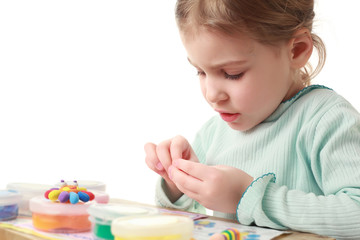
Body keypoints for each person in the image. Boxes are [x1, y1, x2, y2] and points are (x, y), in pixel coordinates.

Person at [144, 0, 360, 239]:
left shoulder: (326, 120)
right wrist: (179, 185)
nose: (212, 94)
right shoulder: (214, 133)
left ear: (297, 50)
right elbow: (197, 227)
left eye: (232, 74)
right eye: (201, 72)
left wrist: (247, 195)